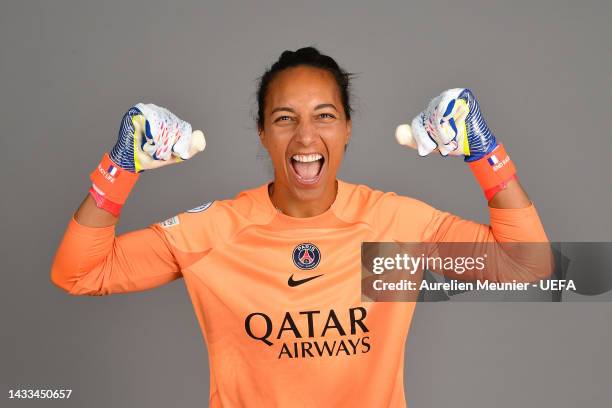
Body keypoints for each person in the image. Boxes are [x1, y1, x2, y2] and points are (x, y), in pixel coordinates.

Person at [51, 47, 550, 407]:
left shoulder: (394, 225)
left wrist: (485, 153)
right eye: (285, 118)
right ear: (263, 133)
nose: (306, 135)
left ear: (348, 128)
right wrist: (119, 167)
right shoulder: (215, 231)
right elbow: (79, 272)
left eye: (325, 116)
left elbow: (527, 266)